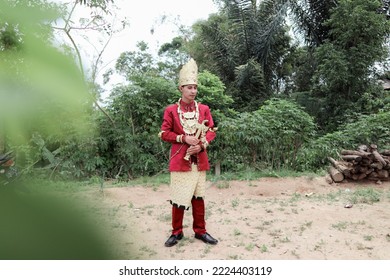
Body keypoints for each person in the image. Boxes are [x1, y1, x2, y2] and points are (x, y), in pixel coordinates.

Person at [158, 58, 218, 247]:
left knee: (199, 197)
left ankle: (200, 231)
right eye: (189, 87)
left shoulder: (204, 109)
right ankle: (177, 232)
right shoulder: (171, 111)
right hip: (180, 160)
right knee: (178, 199)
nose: (193, 91)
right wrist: (184, 138)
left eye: (195, 87)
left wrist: (201, 145)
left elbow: (211, 131)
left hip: (199, 160)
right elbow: (163, 133)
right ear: (181, 89)